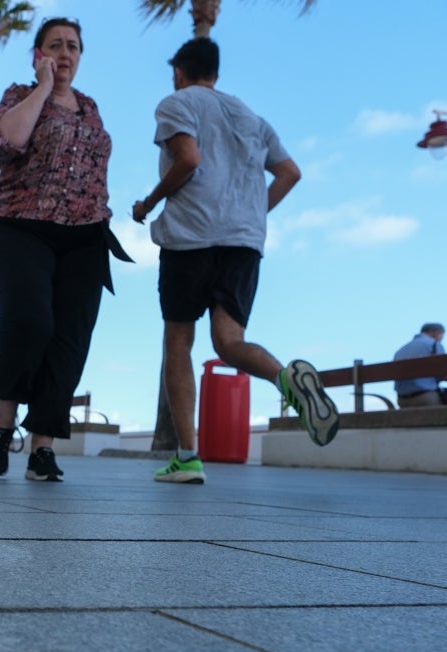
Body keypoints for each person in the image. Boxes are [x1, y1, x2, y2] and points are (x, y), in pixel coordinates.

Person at [131, 37, 339, 485]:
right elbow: (290, 173)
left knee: (178, 343)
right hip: (243, 244)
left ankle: (187, 457)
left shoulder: (176, 102)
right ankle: (285, 379)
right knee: (228, 340)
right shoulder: (252, 118)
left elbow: (187, 157)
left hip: (190, 240)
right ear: (216, 74)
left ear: (179, 72)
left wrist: (148, 203)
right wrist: (251, 214)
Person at [0, 16, 131, 482]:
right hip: (21, 225)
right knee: (31, 322)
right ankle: (5, 423)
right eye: (55, 46)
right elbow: (7, 140)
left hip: (84, 234)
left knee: (70, 339)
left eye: (73, 47)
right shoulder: (18, 96)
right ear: (38, 54)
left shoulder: (91, 107)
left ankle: (42, 448)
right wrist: (42, 88)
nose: (66, 54)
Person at [393, 322, 447, 407]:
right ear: (437, 332)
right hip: (426, 397)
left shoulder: (401, 350)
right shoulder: (434, 345)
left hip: (402, 400)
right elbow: (446, 375)